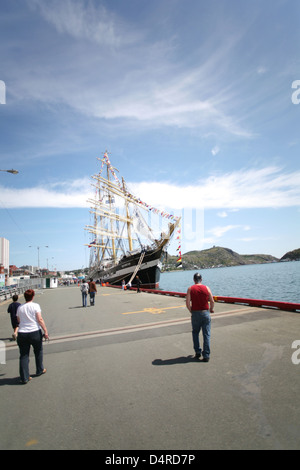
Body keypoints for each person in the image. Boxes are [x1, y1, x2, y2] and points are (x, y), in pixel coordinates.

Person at [16, 289, 49, 384]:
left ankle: (24, 377)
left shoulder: (20, 307)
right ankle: (39, 369)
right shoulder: (35, 306)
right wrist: (45, 331)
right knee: (38, 351)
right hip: (34, 331)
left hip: (22, 333)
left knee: (24, 355)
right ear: (33, 296)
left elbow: (18, 320)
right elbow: (40, 319)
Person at [186, 273, 214, 362]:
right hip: (205, 313)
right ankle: (206, 355)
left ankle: (197, 352)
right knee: (206, 334)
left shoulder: (190, 289)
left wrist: (191, 310)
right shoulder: (207, 288)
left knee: (195, 333)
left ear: (194, 280)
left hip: (195, 314)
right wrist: (211, 309)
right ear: (201, 279)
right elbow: (212, 301)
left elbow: (187, 303)